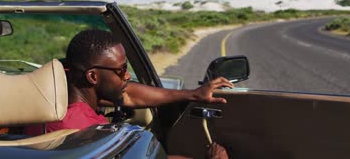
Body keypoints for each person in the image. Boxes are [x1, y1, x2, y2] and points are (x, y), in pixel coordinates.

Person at [46, 29, 231, 158]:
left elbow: (129, 95)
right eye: (121, 69)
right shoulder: (89, 133)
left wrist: (193, 94)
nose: (127, 75)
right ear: (93, 76)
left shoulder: (50, 100)